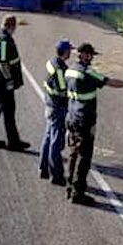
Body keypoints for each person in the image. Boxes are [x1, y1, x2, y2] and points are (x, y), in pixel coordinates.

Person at [64, 43, 123, 205]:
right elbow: (110, 82)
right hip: (84, 119)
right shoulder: (88, 73)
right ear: (82, 55)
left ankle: (69, 187)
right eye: (89, 55)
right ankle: (78, 193)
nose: (91, 58)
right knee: (84, 157)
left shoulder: (70, 70)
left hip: (71, 116)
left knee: (73, 153)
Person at [0, 15, 30, 151]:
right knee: (9, 112)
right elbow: (4, 63)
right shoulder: (4, 41)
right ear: (11, 26)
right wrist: (10, 81)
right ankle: (13, 142)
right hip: (2, 83)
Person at [39, 39, 71, 185]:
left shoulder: (51, 62)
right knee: (56, 143)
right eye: (69, 50)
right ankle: (56, 175)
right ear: (64, 52)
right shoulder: (60, 69)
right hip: (58, 107)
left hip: (50, 104)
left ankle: (43, 168)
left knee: (47, 137)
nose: (71, 52)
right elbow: (64, 91)